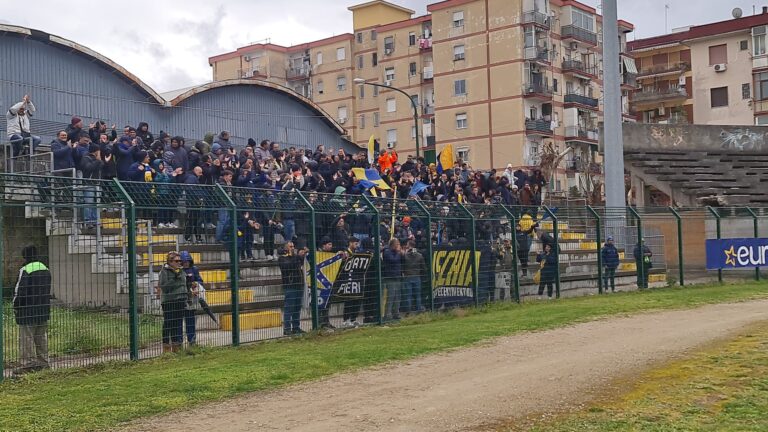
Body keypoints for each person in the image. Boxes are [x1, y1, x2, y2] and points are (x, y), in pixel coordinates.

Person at [13, 245, 51, 373]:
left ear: (24, 256)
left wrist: (16, 305)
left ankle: (28, 365)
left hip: (27, 310)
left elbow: (20, 291)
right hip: (43, 309)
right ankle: (44, 362)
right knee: (41, 337)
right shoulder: (45, 268)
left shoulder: (25, 269)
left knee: (27, 337)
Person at [158, 251, 187, 353]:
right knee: (168, 324)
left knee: (177, 324)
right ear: (170, 262)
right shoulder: (164, 272)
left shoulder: (182, 271)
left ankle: (176, 346)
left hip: (181, 300)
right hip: (169, 301)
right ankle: (166, 347)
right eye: (177, 261)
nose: (179, 263)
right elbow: (164, 288)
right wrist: (174, 279)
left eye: (180, 261)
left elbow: (184, 284)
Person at [278, 241, 308, 336]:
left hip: (299, 285)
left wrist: (304, 254)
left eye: (293, 246)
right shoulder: (282, 258)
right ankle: (287, 329)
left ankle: (296, 327)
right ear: (286, 248)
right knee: (289, 308)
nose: (293, 248)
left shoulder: (295, 257)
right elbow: (288, 266)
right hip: (290, 286)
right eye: (290, 246)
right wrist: (296, 257)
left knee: (297, 308)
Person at [180, 251, 205, 345]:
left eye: (187, 261)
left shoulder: (194, 269)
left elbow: (200, 280)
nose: (186, 263)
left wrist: (196, 284)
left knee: (191, 320)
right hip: (182, 297)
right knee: (179, 322)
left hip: (192, 298)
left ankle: (192, 340)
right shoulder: (179, 270)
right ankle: (179, 342)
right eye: (184, 261)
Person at [341, 237, 362, 327]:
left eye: (357, 244)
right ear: (350, 243)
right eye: (355, 243)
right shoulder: (345, 253)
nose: (357, 245)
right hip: (347, 279)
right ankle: (346, 320)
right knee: (348, 300)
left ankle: (353, 319)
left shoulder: (356, 253)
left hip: (356, 280)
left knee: (356, 299)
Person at [402, 239, 426, 313]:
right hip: (417, 276)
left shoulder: (405, 255)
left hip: (408, 276)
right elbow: (424, 267)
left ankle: (408, 311)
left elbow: (402, 266)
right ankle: (418, 310)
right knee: (418, 295)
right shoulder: (420, 255)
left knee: (408, 295)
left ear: (408, 245)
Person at [382, 238, 403, 320]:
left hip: (397, 276)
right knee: (390, 297)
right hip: (390, 277)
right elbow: (393, 260)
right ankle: (387, 315)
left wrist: (401, 253)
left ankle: (396, 314)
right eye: (397, 244)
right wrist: (398, 253)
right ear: (393, 244)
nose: (399, 246)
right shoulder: (387, 251)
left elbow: (402, 260)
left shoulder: (396, 253)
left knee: (398, 297)